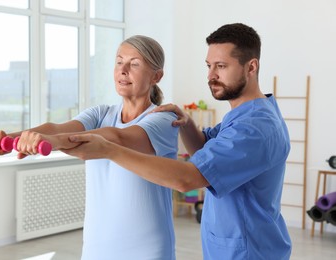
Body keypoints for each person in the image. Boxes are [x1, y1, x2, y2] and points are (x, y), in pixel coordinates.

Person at [63, 23, 292, 259]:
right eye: (209, 66)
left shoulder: (254, 127)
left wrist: (110, 151)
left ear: (251, 67)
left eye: (221, 66)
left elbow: (187, 178)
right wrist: (187, 123)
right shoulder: (243, 115)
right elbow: (206, 151)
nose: (211, 75)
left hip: (249, 252)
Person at [0, 35, 179, 260]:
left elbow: (117, 138)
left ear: (156, 76)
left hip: (146, 248)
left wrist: (54, 142)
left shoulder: (164, 118)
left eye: (134, 64)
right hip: (97, 245)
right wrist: (9, 138)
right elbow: (56, 128)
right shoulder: (101, 113)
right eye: (119, 61)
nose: (123, 70)